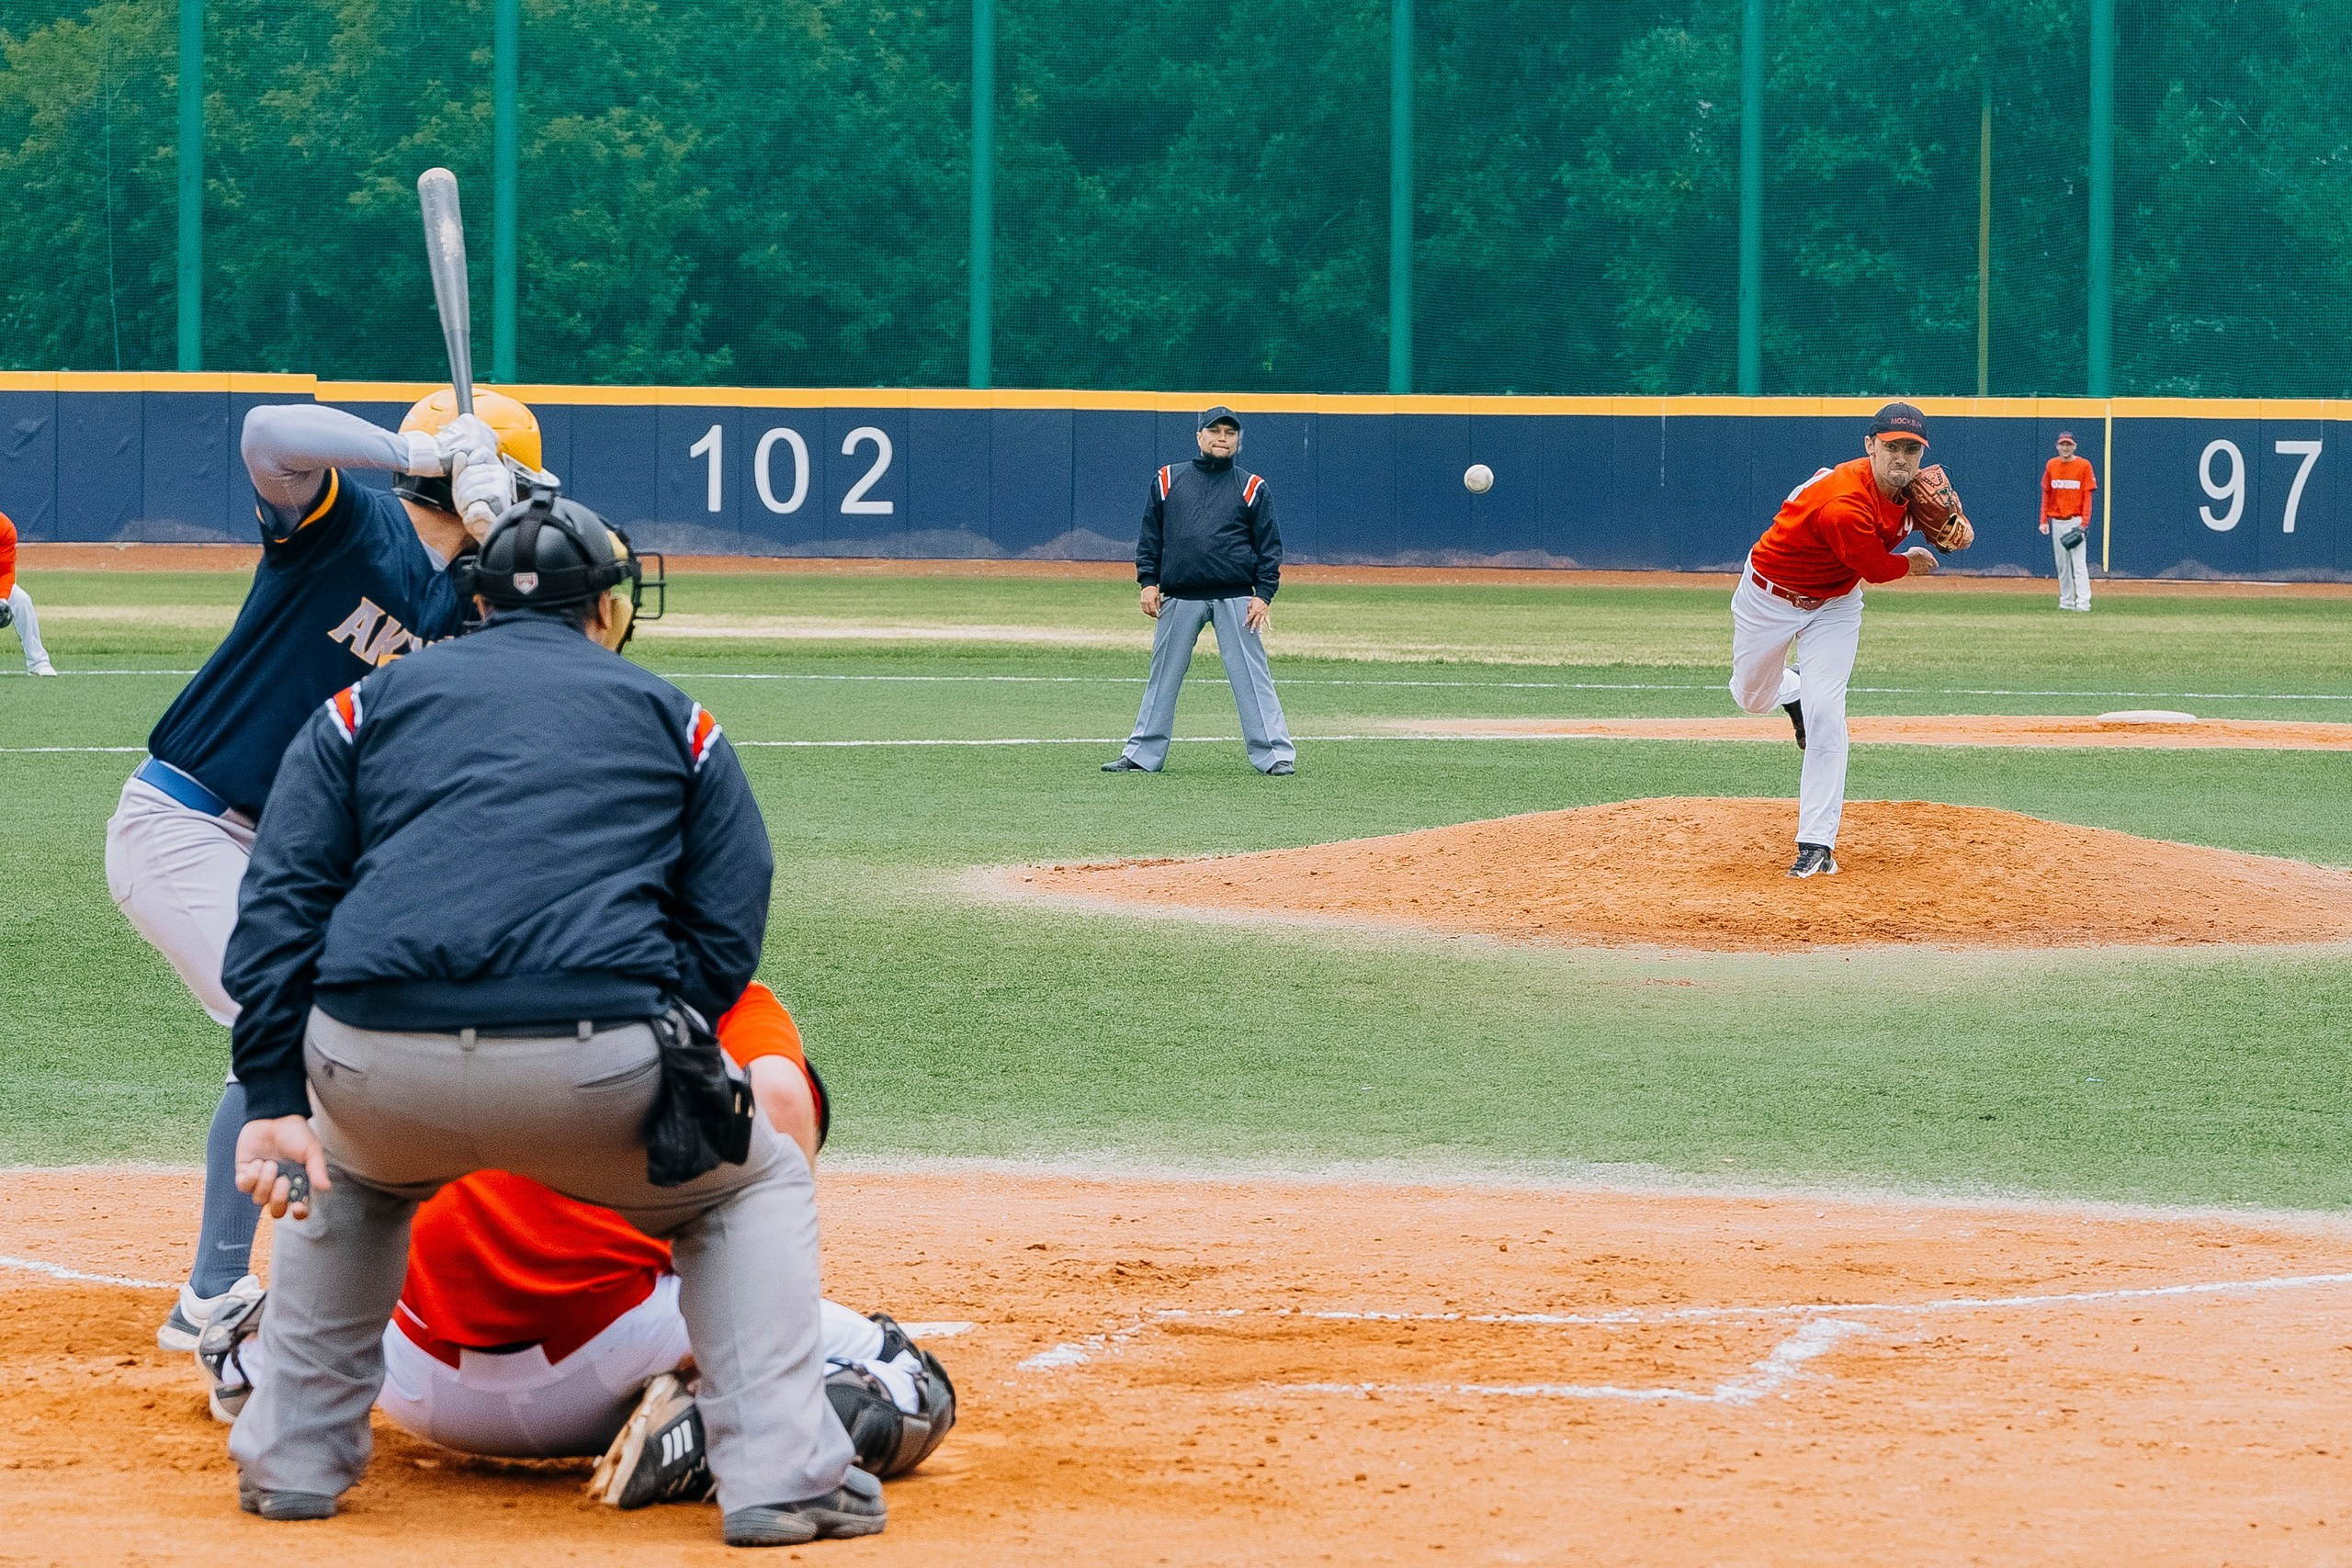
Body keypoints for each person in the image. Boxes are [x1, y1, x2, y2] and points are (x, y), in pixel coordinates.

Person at [219, 489, 876, 1546]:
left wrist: (271, 1097)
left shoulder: (358, 709)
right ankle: (781, 1479)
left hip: (375, 1061)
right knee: (752, 1184)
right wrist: (670, 1025)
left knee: (346, 1182)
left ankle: (290, 1463)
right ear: (604, 607)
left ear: (474, 603)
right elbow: (729, 913)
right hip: (591, 1063)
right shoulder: (676, 715)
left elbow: (280, 905)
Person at [110, 390, 527, 1354]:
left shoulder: (479, 598)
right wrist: (410, 448)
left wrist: (492, 527)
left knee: (393, 1026)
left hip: (300, 862)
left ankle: (415, 1263)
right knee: (295, 1025)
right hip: (188, 824)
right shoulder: (352, 525)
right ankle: (213, 1298)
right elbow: (266, 433)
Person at [196, 981, 956, 1507]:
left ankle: (256, 1360)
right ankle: (710, 1420)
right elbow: (783, 1102)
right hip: (609, 1359)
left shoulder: (422, 954)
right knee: (906, 1376)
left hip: (405, 1371)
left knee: (350, 1263)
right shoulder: (706, 978)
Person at [1729, 401, 1949, 878]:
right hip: (1769, 598)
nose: (1902, 458)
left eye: (1912, 449)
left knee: (1827, 711)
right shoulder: (1843, 502)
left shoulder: (1910, 492)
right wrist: (1913, 562)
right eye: (1892, 447)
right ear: (1869, 445)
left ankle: (1816, 844)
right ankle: (1792, 693)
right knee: (1749, 697)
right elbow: (1875, 567)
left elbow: (1872, 563)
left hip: (1835, 605)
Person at [1103, 406, 1295, 776]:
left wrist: (1263, 593)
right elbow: (1150, 537)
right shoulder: (1167, 478)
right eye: (1215, 431)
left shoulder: (1252, 486)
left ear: (1238, 441)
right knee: (1163, 676)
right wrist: (1148, 582)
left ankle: (1274, 755)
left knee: (1252, 678)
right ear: (1199, 436)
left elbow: (1269, 546)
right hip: (1180, 594)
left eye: (1230, 433)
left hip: (1237, 596)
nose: (1222, 438)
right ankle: (1143, 754)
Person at [2040, 430, 2098, 613]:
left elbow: (2087, 497)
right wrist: (2044, 520)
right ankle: (2066, 602)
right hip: (2057, 521)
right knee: (2062, 565)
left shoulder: (2084, 465)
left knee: (2079, 565)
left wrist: (2084, 524)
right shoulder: (2051, 465)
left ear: (2074, 446)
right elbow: (2047, 494)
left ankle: (2083, 603)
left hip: (2075, 521)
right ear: (2057, 446)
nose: (2065, 448)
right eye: (2062, 444)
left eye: (2069, 445)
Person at [0, 509, 57, 675]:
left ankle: (38, 663)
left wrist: (2, 599)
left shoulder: (5, 529)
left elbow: (6, 570)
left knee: (22, 600)